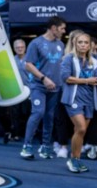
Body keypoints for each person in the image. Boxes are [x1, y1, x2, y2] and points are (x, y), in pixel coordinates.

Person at [61, 32, 97, 173]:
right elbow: (66, 78)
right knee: (80, 128)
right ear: (75, 43)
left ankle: (76, 158)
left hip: (88, 100)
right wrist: (87, 80)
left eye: (86, 42)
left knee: (81, 132)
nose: (83, 45)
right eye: (80, 42)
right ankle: (73, 160)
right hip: (73, 99)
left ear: (90, 45)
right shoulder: (69, 59)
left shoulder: (93, 61)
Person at [21, 16, 67, 160]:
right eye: (62, 28)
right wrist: (43, 78)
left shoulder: (61, 44)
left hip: (56, 87)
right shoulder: (36, 43)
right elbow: (28, 65)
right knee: (38, 113)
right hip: (38, 86)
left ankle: (45, 146)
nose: (64, 31)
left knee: (49, 116)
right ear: (53, 28)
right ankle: (26, 146)